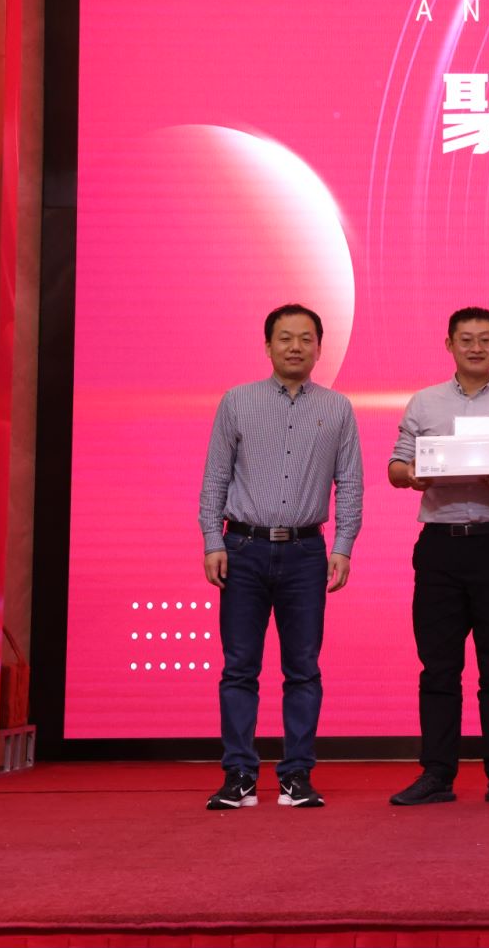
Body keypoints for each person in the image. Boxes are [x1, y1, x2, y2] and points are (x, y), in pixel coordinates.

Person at [198, 303, 363, 810]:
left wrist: (343, 547)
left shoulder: (338, 408)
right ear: (268, 345)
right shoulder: (237, 401)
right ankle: (239, 776)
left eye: (306, 338)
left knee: (303, 669)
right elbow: (215, 478)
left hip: (306, 552)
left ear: (319, 347)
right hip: (242, 549)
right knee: (239, 668)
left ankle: (296, 777)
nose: (296, 347)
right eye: (285, 338)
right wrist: (212, 541)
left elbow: (350, 483)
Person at [386, 307, 489, 807]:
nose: (476, 348)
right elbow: (395, 465)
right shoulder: (424, 401)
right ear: (449, 344)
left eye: (485, 339)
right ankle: (437, 773)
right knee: (438, 666)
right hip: (440, 546)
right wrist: (413, 475)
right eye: (466, 339)